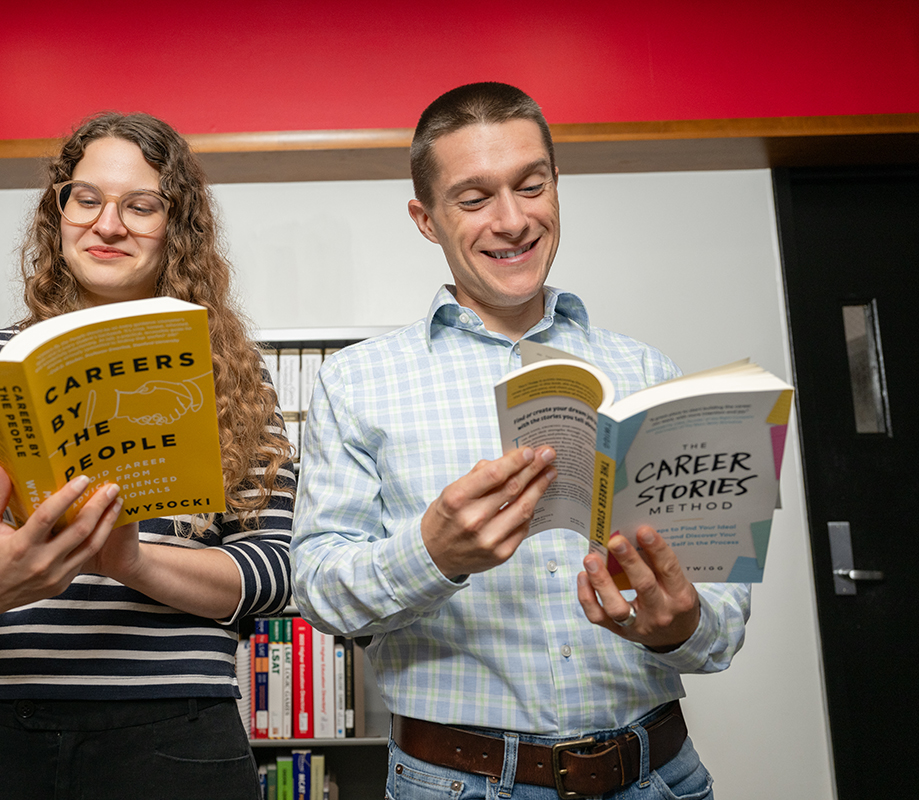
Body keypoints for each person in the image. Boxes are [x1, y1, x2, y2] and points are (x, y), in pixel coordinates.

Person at [291, 82, 749, 800]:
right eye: (473, 200)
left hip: (660, 774)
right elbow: (317, 591)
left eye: (531, 186)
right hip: (457, 783)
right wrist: (432, 554)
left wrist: (682, 623)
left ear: (557, 187)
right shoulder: (355, 383)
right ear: (426, 218)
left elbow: (722, 622)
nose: (512, 221)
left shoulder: (646, 370)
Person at [0, 112, 294, 800]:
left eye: (140, 205)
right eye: (87, 198)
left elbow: (273, 571)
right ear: (59, 211)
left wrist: (128, 561)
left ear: (177, 226)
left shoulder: (232, 372)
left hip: (176, 737)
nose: (107, 225)